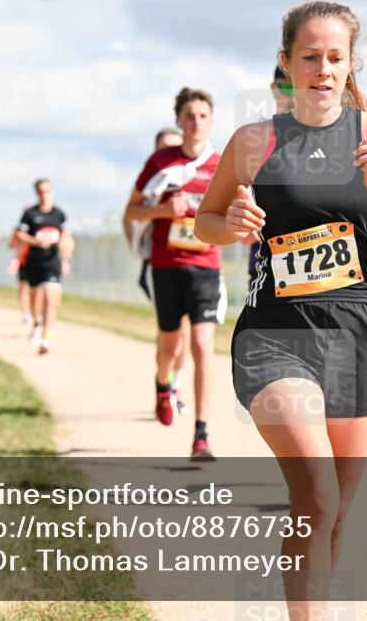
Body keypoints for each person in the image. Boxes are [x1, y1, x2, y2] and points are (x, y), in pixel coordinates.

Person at [195, 1, 367, 617]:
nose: (324, 69)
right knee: (317, 498)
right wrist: (235, 223)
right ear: (286, 63)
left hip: (356, 335)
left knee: (333, 519)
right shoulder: (254, 141)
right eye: (310, 57)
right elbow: (205, 221)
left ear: (350, 63)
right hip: (274, 334)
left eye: (336, 58)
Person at [124, 88, 226, 460]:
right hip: (166, 266)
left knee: (201, 345)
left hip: (205, 267)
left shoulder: (221, 164)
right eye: (189, 116)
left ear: (211, 120)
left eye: (202, 115)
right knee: (170, 346)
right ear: (179, 121)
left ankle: (201, 434)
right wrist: (165, 211)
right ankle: (163, 385)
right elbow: (132, 212)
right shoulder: (160, 163)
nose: (196, 122)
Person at [124, 127, 191, 415]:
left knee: (188, 330)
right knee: (170, 330)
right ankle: (165, 383)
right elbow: (128, 215)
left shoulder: (189, 179)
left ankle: (175, 386)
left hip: (190, 262)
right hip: (158, 263)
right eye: (165, 148)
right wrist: (138, 246)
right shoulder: (150, 182)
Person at [246, 66, 296, 283]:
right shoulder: (257, 136)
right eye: (285, 86)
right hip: (266, 257)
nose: (292, 93)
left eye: (297, 86)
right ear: (273, 88)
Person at [15, 179, 74, 355]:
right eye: (41, 191)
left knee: (50, 298)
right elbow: (19, 234)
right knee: (36, 299)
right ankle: (37, 323)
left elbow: (66, 236)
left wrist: (66, 258)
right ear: (36, 193)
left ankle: (47, 337)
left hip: (52, 262)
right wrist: (37, 241)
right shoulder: (30, 214)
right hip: (34, 262)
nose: (44, 194)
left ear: (52, 191)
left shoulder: (59, 214)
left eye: (47, 190)